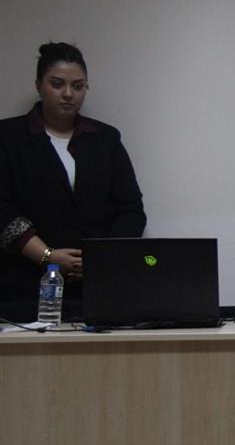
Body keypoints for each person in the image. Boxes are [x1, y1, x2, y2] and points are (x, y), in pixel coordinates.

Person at [0, 42, 146, 321]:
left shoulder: (105, 139)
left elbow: (131, 210)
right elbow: (2, 210)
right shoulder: (8, 137)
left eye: (78, 86)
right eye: (57, 84)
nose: (68, 94)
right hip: (23, 286)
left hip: (99, 287)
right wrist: (47, 256)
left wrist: (101, 259)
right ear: (39, 85)